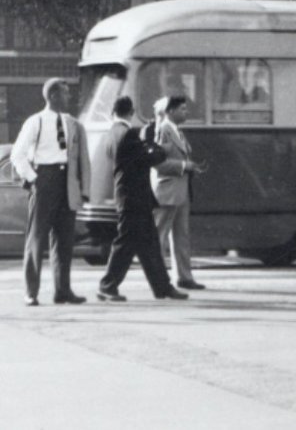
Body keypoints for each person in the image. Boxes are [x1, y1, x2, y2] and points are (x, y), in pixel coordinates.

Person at [97, 97, 188, 302]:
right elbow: (151, 158)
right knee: (126, 244)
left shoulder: (111, 134)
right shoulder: (128, 134)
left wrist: (145, 145)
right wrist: (155, 146)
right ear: (131, 112)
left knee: (150, 245)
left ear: (114, 112)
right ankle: (107, 285)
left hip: (129, 196)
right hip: (134, 198)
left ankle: (162, 287)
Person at [11, 78, 90, 306]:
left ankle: (63, 291)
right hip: (44, 179)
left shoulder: (70, 123)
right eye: (65, 93)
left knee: (64, 239)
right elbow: (18, 154)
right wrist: (34, 179)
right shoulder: (35, 122)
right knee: (36, 238)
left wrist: (79, 186)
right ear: (53, 96)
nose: (69, 97)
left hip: (66, 181)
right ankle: (31, 292)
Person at [152, 95, 208, 290]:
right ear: (170, 111)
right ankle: (159, 279)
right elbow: (158, 163)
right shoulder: (164, 130)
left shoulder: (177, 132)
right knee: (160, 237)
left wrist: (189, 167)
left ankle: (184, 277)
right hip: (168, 190)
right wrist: (185, 165)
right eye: (182, 109)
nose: (186, 112)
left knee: (181, 237)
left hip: (180, 190)